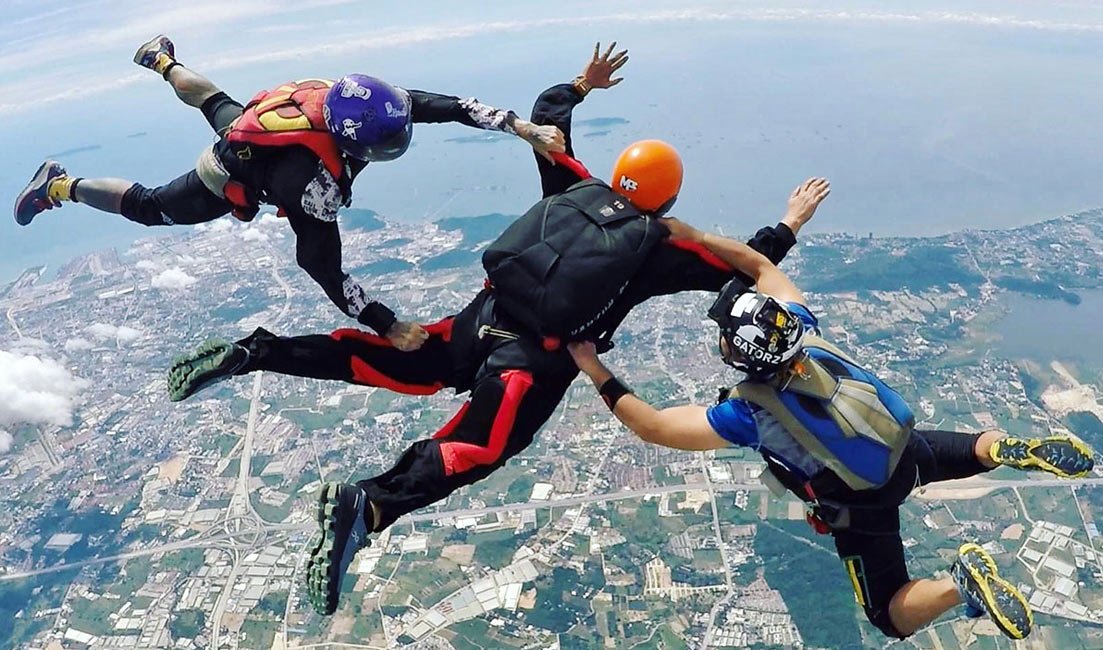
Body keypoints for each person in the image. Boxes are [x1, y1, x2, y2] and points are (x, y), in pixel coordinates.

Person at [166, 42, 819, 616]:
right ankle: (368, 506)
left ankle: (258, 353)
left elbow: (547, 115)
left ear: (622, 173)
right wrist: (789, 223)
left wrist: (582, 85)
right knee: (474, 447)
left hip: (480, 318)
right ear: (668, 199)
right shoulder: (661, 247)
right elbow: (746, 264)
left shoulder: (576, 185)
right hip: (532, 363)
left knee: (387, 361)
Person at [566, 223, 1097, 641]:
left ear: (742, 357)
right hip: (902, 448)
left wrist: (593, 367)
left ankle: (959, 586)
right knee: (969, 449)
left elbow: (653, 426)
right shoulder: (806, 331)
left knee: (889, 615)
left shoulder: (750, 413)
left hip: (863, 503)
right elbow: (759, 266)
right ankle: (1010, 447)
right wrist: (694, 235)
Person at [13, 36, 565, 349]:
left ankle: (162, 60)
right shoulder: (311, 186)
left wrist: (523, 128)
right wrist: (387, 324)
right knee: (150, 207)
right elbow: (320, 265)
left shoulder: (357, 98)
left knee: (214, 101)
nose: (401, 139)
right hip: (229, 171)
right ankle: (60, 185)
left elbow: (450, 107)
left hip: (264, 122)